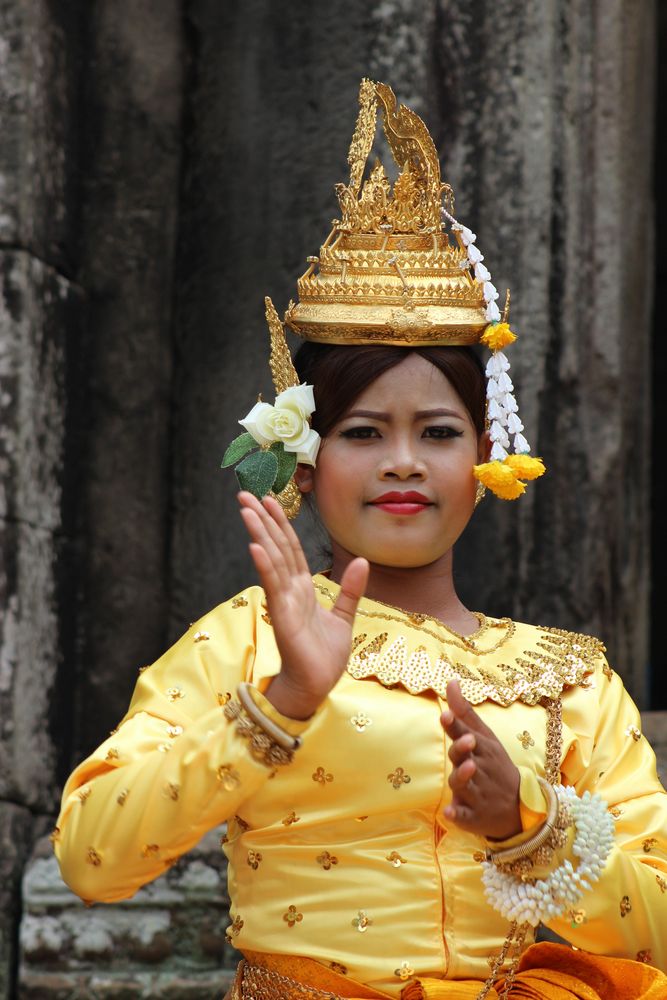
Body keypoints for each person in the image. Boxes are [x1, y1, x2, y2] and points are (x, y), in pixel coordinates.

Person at [54, 81, 667, 1000]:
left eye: (438, 432)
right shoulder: (249, 640)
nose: (403, 464)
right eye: (363, 432)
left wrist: (526, 825)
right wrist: (282, 702)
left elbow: (654, 922)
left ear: (486, 458)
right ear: (303, 463)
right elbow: (92, 859)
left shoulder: (572, 680)